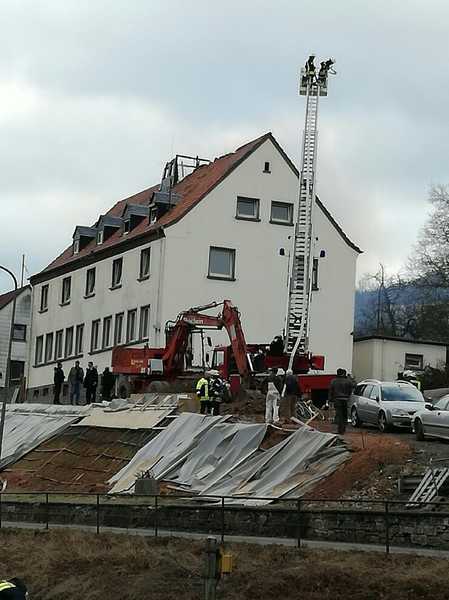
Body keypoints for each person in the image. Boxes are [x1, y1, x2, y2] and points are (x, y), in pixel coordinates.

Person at [328, 368, 354, 435]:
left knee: (339, 414)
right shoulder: (348, 381)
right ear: (343, 373)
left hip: (337, 399)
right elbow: (353, 387)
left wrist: (330, 399)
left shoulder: (334, 381)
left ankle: (340, 430)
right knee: (344, 414)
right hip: (345, 399)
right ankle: (343, 429)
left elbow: (331, 390)